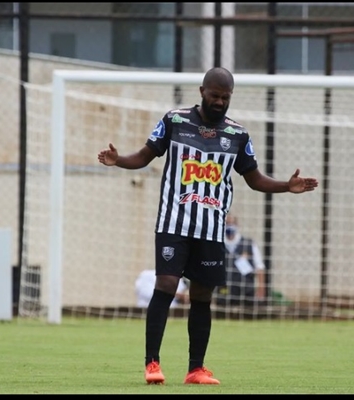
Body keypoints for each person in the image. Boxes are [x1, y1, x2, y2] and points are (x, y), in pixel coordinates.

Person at [97, 67, 318, 385]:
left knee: (202, 295)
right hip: (174, 222)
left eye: (225, 97)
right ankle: (152, 364)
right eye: (215, 95)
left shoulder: (237, 135)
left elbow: (254, 179)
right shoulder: (174, 120)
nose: (219, 102)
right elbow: (146, 156)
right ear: (202, 92)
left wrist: (287, 185)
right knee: (166, 285)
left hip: (211, 230)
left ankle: (196, 369)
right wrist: (119, 160)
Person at [216, 213, 266, 307]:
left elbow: (260, 267)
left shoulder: (248, 244)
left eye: (232, 223)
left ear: (237, 225)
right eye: (227, 223)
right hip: (224, 291)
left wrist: (261, 288)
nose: (229, 226)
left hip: (246, 291)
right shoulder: (218, 244)